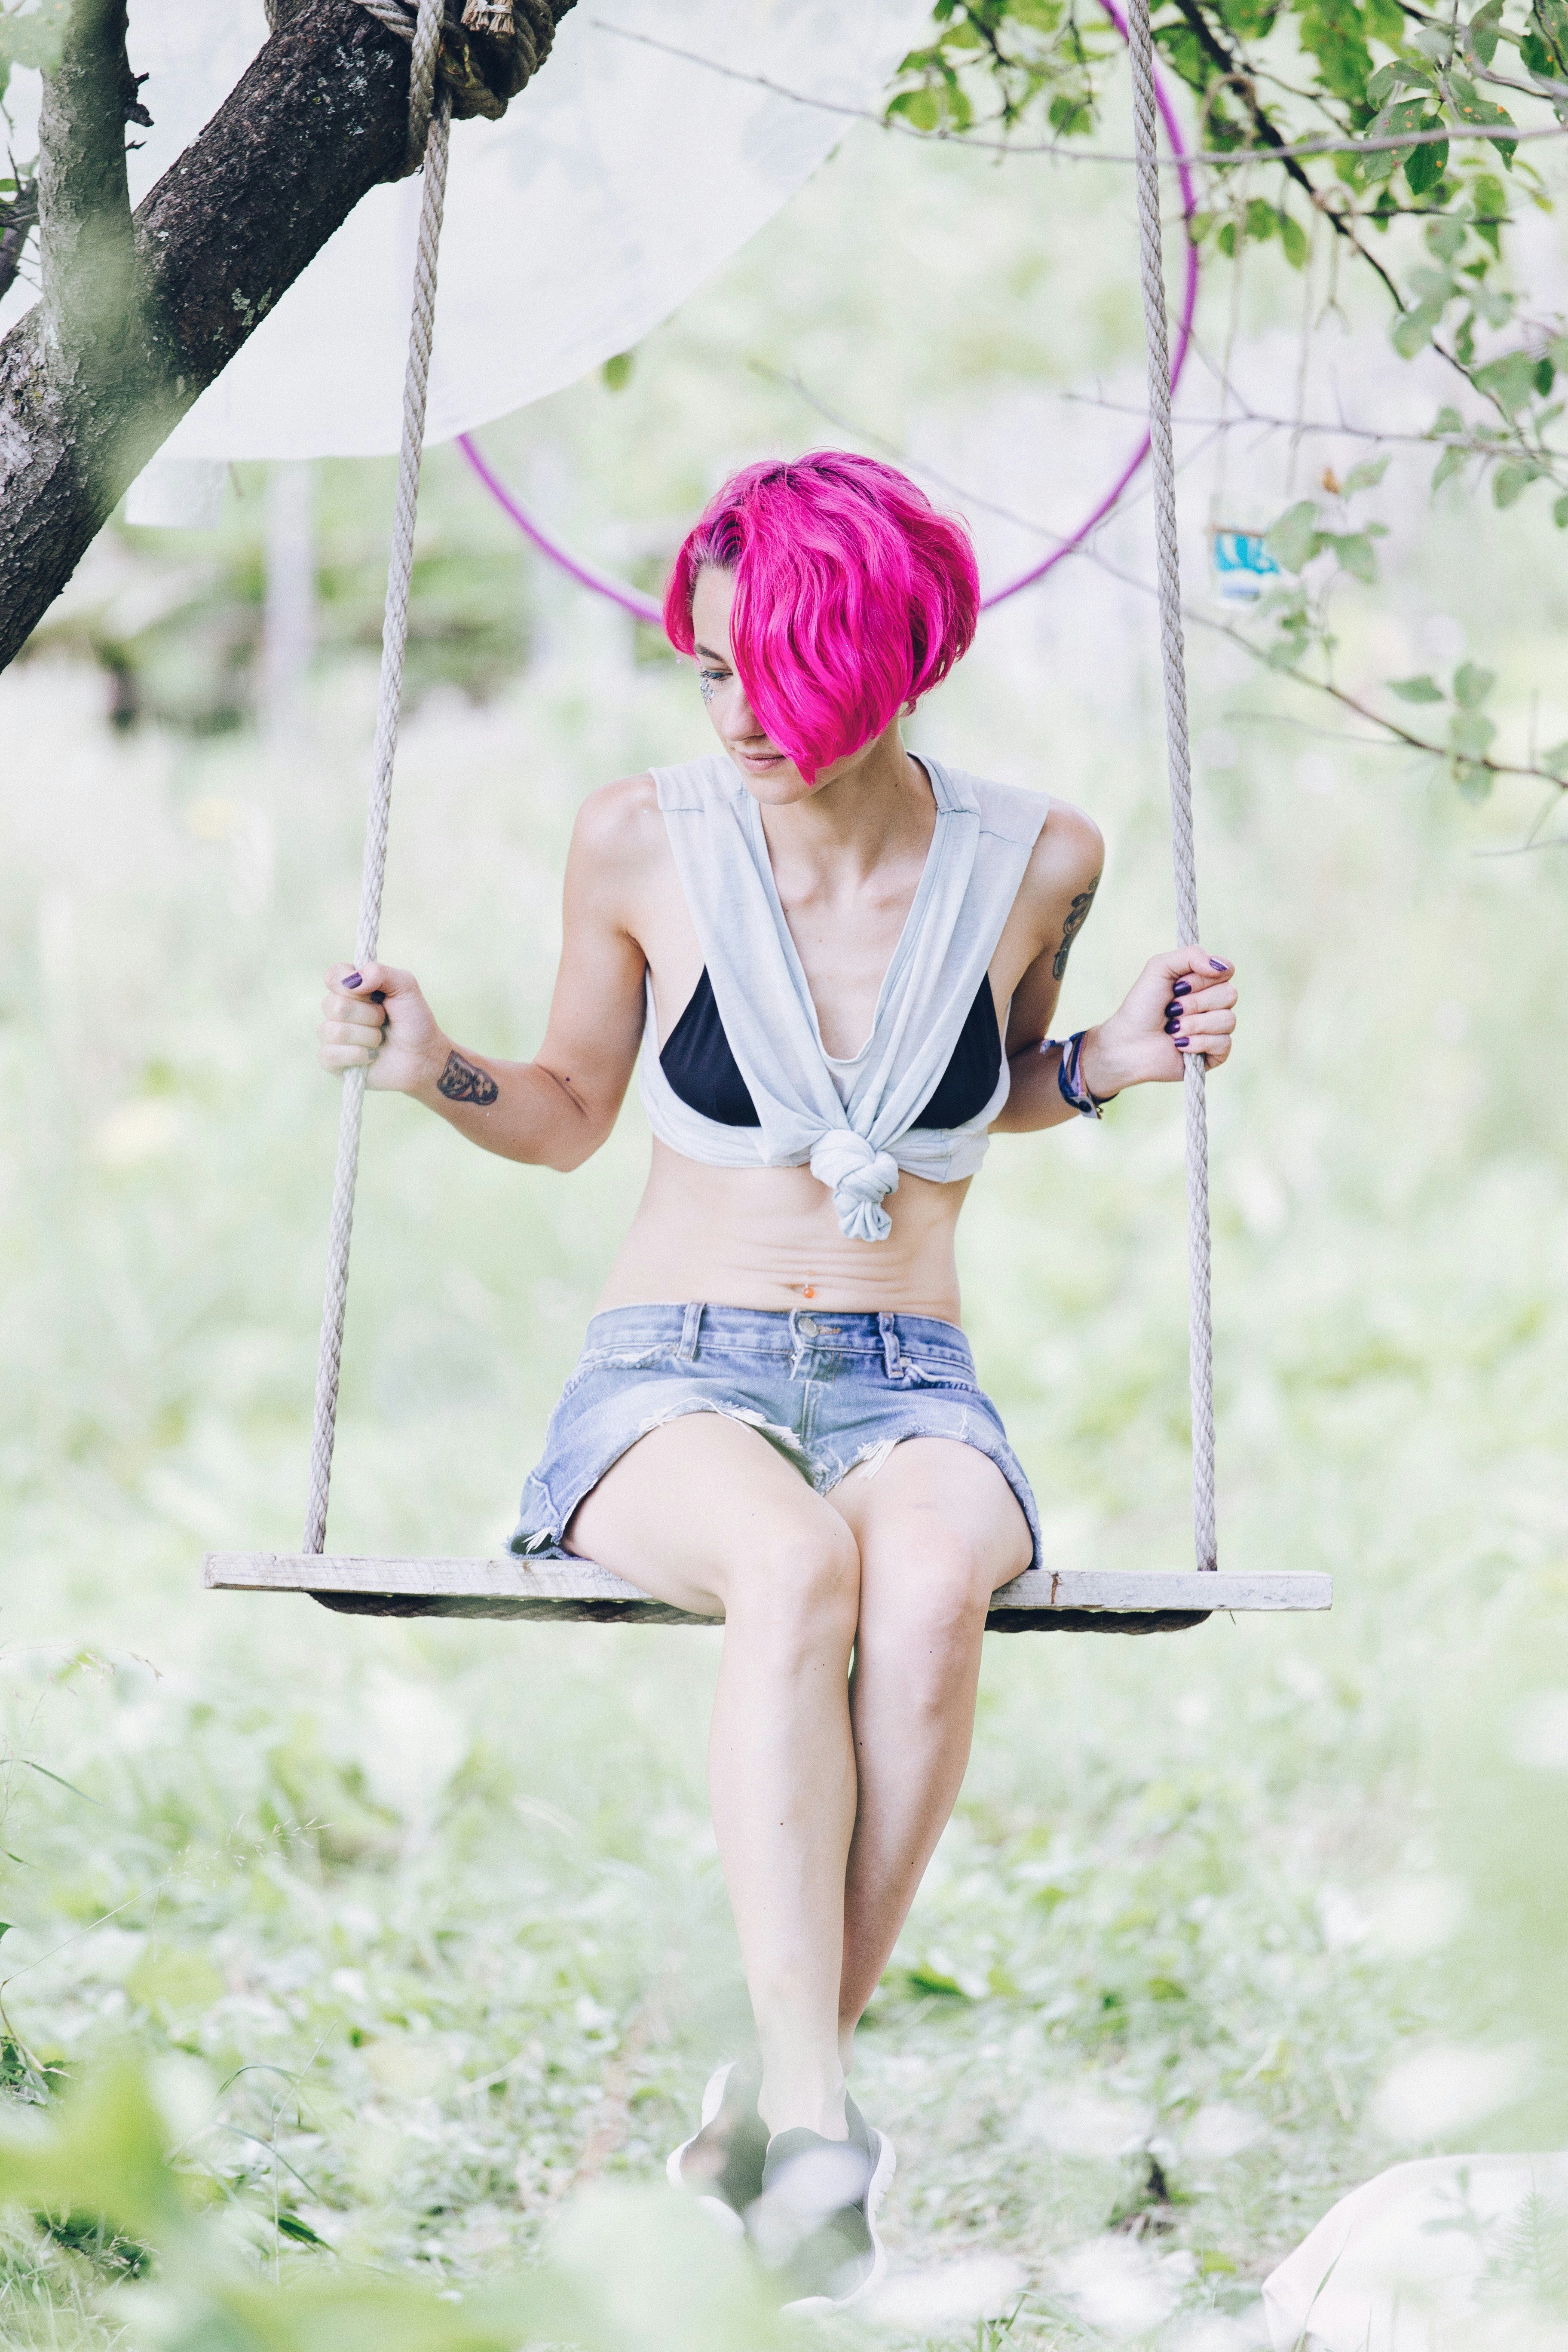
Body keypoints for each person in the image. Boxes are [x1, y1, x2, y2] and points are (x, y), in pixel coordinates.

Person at [316, 452, 1237, 2307]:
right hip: (673, 1380)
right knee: (802, 1572)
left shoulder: (1038, 857)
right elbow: (574, 1114)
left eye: (777, 676)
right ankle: (823, 2119)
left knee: (927, 1581)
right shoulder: (642, 839)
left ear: (889, 667)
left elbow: (996, 1091)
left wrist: (1119, 1059)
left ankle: (766, 2099)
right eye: (714, 669)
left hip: (916, 1382)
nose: (738, 711)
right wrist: (436, 1068)